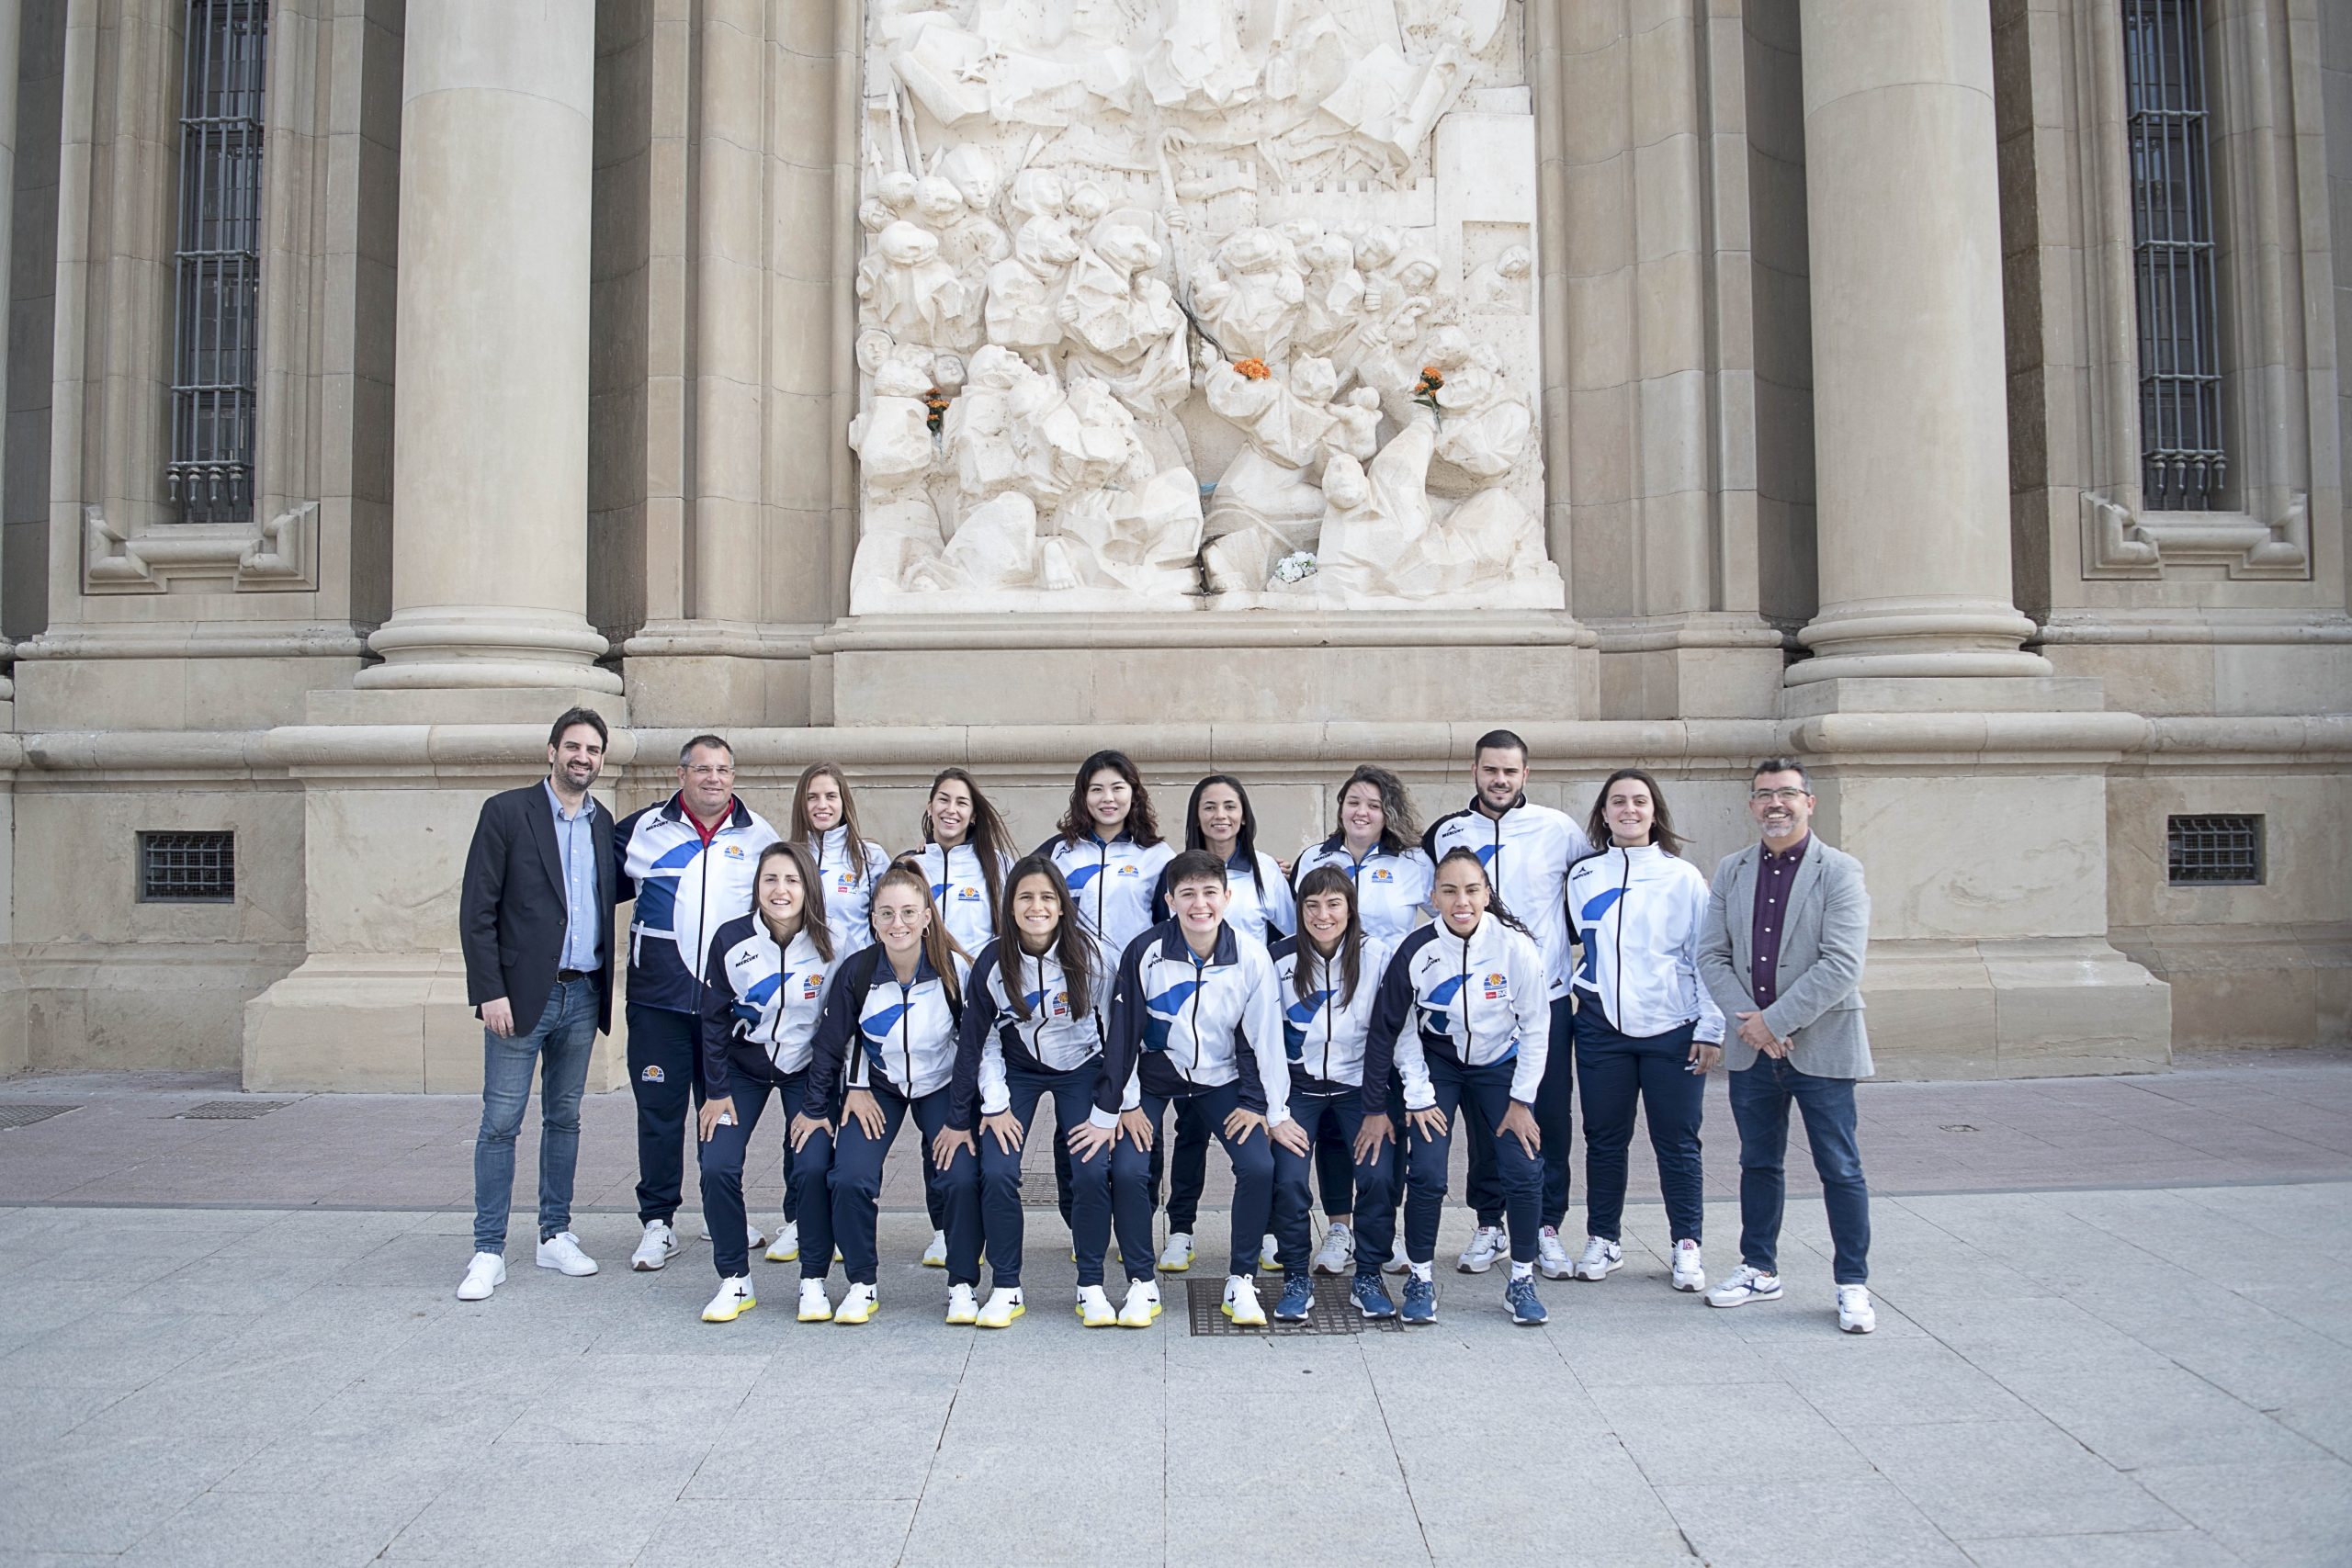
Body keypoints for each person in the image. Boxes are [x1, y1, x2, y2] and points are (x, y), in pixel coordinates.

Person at [1696, 758, 1877, 1334]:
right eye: (1764, 795)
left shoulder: (1840, 871)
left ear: (1809, 802)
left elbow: (1841, 965)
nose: (1776, 804)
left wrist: (1774, 1021)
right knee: (1758, 1162)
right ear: (1751, 805)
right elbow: (1712, 955)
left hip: (1821, 1046)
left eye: (1787, 794)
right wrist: (1752, 1024)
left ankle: (1851, 1283)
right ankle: (1758, 1268)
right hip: (1753, 1049)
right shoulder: (1732, 870)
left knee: (1839, 1167)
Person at [454, 708, 621, 1301]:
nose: (583, 757)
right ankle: (488, 1249)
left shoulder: (604, 825)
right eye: (573, 746)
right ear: (551, 752)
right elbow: (477, 911)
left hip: (582, 993)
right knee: (500, 1124)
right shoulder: (506, 813)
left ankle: (555, 1235)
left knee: (564, 1118)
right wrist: (489, 991)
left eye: (593, 750)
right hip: (520, 998)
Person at [1096, 849, 1300, 1328]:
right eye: (1187, 893)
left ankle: (1242, 1280)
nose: (1199, 904)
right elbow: (1122, 1033)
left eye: (1209, 893)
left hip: (1220, 1080)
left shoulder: (1250, 956)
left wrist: (1268, 1109)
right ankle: (1141, 1283)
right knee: (1127, 1170)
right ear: (1170, 899)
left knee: (1258, 1165)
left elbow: (1265, 1037)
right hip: (1152, 1078)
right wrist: (1122, 1106)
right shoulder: (1145, 951)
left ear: (1227, 898)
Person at [1423, 729, 1591, 1279]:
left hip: (1546, 999)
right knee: (1484, 1118)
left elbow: (1589, 892)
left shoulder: (1558, 830)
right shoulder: (1448, 832)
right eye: (1490, 769)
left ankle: (1545, 1226)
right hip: (1477, 1005)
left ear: (1526, 774)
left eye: (1510, 771)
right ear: (1474, 771)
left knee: (1546, 1114)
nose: (1500, 780)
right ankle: (1489, 1222)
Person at [1362, 846, 1552, 1325]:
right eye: (1449, 890)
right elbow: (1400, 1027)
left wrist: (1522, 1100)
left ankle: (1522, 1278)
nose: (1460, 900)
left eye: (1471, 889)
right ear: (1434, 896)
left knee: (1524, 1168)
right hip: (1439, 1066)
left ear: (1486, 894)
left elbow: (1536, 1025)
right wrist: (1419, 1093)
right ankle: (1421, 1276)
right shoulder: (1417, 949)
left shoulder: (1515, 947)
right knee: (1426, 1171)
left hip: (1500, 1067)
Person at [613, 734, 781, 1273]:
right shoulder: (642, 830)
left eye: (724, 770)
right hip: (657, 1002)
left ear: (734, 777)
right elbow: (584, 890)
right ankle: (658, 1223)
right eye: (703, 769)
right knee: (659, 1116)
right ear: (681, 775)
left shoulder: (759, 836)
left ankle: (717, 1213)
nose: (714, 778)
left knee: (721, 1114)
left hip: (725, 1008)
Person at [799, 865, 982, 1325]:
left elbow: (972, 1048)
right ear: (874, 921)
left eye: (907, 912)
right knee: (849, 1177)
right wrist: (832, 1100)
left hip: (941, 1086)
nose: (897, 923)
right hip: (877, 1087)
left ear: (926, 917)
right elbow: (833, 1042)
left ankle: (962, 1284)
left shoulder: (954, 971)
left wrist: (960, 1117)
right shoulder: (858, 971)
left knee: (959, 1177)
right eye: (886, 914)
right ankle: (863, 1282)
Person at [1565, 769, 1723, 1292]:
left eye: (1639, 801)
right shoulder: (1583, 876)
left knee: (1677, 1141)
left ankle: (1686, 1245)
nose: (1628, 810)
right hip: (1600, 1030)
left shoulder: (1683, 878)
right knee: (1604, 1138)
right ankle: (1603, 1239)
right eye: (1617, 802)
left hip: (1672, 1031)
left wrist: (1710, 1026)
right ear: (1603, 813)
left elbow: (1707, 958)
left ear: (1654, 811)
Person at [952, 856, 1123, 1327]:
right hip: (1019, 1069)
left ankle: (1091, 1284)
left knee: (1091, 1171)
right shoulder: (992, 959)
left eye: (1047, 897)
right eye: (1025, 896)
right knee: (999, 1169)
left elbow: (1116, 1032)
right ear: (1009, 907)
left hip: (1081, 1069)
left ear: (1063, 906)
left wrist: (1113, 1105)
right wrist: (996, 1103)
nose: (1036, 906)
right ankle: (1006, 1285)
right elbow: (982, 1038)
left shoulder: (1095, 956)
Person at [1292, 763, 1434, 1274]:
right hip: (1328, 1014)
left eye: (1373, 804)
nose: (1362, 811)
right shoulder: (1316, 857)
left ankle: (1383, 1229)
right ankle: (1339, 1228)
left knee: (1386, 1123)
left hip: (1391, 1010)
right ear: (1341, 808)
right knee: (1334, 1129)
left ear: (1387, 812)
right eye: (1354, 801)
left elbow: (1449, 919)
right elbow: (1300, 927)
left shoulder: (1413, 863)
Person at [1153, 774, 1295, 1275]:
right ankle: (1181, 1231)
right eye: (1209, 806)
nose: (1220, 816)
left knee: (1257, 1126)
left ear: (1243, 813)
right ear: (1196, 816)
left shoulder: (1263, 871)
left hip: (1247, 1010)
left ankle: (1268, 1233)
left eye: (1229, 806)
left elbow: (1291, 934)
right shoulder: (1176, 870)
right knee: (1190, 1130)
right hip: (1191, 1013)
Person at [691, 841, 836, 1323]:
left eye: (793, 880)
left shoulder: (830, 946)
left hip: (806, 1072)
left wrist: (819, 1103)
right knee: (717, 1164)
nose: (781, 890)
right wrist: (715, 1092)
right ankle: (734, 1279)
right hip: (741, 1071)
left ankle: (813, 1278)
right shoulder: (731, 940)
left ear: (809, 888)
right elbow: (711, 1021)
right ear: (757, 887)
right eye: (771, 879)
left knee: (813, 1166)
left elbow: (838, 1029)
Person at [1042, 750, 1175, 1241]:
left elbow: (1170, 926)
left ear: (1133, 793)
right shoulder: (1059, 853)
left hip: (1135, 998)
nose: (1107, 798)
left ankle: (1136, 1219)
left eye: (1117, 787)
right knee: (1076, 1110)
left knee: (1139, 1109)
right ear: (1082, 797)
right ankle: (1080, 1220)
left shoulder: (1156, 856)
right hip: (1074, 997)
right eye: (1096, 789)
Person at [782, 761, 910, 1263]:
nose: (822, 806)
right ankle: (800, 1217)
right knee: (805, 1116)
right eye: (813, 797)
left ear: (844, 802)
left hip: (856, 1001)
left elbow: (893, 912)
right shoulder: (789, 857)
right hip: (798, 1003)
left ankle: (844, 1219)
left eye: (831, 797)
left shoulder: (869, 857)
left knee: (849, 1112)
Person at [1270, 866, 1400, 1320]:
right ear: (1299, 910)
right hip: (1297, 1089)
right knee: (1287, 1179)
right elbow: (1262, 1037)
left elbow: (1394, 1033)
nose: (1323, 915)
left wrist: (1378, 1105)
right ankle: (1295, 1276)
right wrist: (1274, 1109)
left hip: (1358, 1090)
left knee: (1379, 1176)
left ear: (1350, 908)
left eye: (1333, 904)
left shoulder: (1378, 956)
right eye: (1312, 905)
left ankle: (1368, 1274)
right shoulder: (1279, 959)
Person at [907, 767, 1016, 957]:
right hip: (924, 983)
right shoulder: (910, 865)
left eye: (962, 803)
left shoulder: (999, 865)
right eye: (943, 799)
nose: (951, 809)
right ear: (930, 807)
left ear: (973, 815)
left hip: (978, 981)